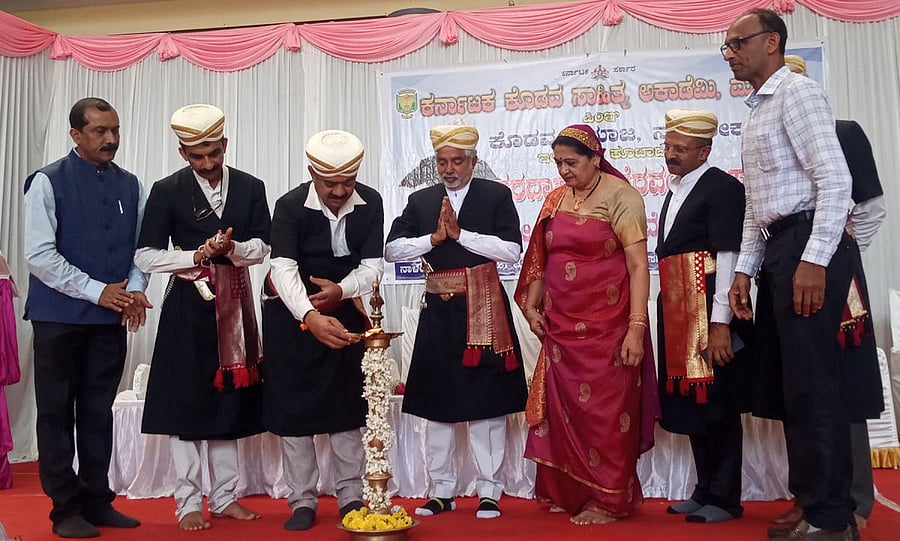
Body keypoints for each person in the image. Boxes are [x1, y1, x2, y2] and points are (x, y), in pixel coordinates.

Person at [724, 9, 858, 541]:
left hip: (807, 243)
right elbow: (758, 206)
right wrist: (743, 270)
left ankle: (831, 518)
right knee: (793, 386)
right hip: (780, 247)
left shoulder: (798, 95)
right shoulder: (757, 110)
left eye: (738, 42)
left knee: (814, 385)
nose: (730, 53)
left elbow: (836, 181)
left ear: (772, 42)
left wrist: (814, 259)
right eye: (726, 46)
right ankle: (810, 502)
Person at [763, 55, 887, 534]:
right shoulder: (769, 137)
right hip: (789, 264)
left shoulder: (843, 132)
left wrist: (840, 256)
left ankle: (854, 499)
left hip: (831, 273)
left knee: (843, 382)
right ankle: (810, 495)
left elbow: (870, 209)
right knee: (801, 384)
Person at [513, 124, 659, 525]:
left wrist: (636, 328)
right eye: (558, 163)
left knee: (606, 415)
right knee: (564, 413)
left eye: (571, 163)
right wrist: (531, 306)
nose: (564, 171)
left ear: (596, 159)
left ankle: (608, 500)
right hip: (561, 329)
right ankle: (570, 492)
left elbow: (638, 267)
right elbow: (541, 258)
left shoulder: (622, 196)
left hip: (608, 328)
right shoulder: (555, 199)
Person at [135, 104, 270, 531]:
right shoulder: (167, 190)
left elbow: (263, 247)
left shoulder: (250, 186)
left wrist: (232, 249)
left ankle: (226, 497)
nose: (207, 163)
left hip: (236, 306)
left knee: (228, 399)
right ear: (182, 153)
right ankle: (188, 501)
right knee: (186, 403)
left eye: (214, 153)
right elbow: (145, 255)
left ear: (225, 144)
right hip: (186, 308)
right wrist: (194, 256)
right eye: (197, 156)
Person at [385, 125, 527, 519]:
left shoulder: (495, 195)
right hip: (439, 314)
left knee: (486, 404)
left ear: (473, 161)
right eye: (443, 161)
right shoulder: (420, 201)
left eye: (457, 161)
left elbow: (511, 251)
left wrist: (461, 235)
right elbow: (392, 250)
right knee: (437, 403)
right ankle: (442, 490)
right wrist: (432, 240)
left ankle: (489, 490)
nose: (449, 169)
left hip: (485, 309)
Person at [23, 97, 149, 538]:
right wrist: (100, 291)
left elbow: (141, 250)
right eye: (99, 131)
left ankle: (97, 500)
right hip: (57, 319)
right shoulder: (46, 181)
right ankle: (65, 510)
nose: (111, 139)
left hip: (107, 321)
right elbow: (40, 256)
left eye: (115, 130)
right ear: (76, 135)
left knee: (98, 412)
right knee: (56, 414)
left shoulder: (131, 184)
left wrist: (135, 290)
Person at [262, 129, 383, 531]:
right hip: (290, 317)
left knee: (346, 406)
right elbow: (282, 270)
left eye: (348, 181)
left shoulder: (371, 202)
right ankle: (302, 500)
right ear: (312, 173)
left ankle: (351, 496)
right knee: (295, 409)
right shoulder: (289, 206)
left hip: (343, 310)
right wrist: (309, 316)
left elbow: (373, 267)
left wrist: (341, 292)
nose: (340, 191)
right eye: (330, 183)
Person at [655, 109, 752, 524]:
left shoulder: (723, 188)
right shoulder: (675, 189)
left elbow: (728, 256)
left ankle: (726, 499)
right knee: (695, 403)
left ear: (704, 150)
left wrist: (721, 323)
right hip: (679, 311)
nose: (671, 154)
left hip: (709, 310)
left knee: (719, 404)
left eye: (681, 148)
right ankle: (704, 489)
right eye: (668, 146)